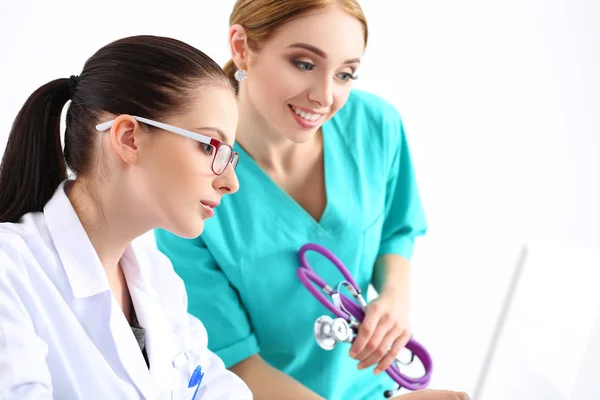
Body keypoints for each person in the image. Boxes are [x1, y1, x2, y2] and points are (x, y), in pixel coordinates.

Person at [155, 1, 468, 400]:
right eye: (304, 63)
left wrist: (394, 298)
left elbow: (397, 230)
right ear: (241, 46)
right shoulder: (189, 181)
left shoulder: (375, 127)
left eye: (345, 74)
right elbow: (234, 361)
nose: (324, 96)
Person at [0, 35, 252, 399]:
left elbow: (219, 389)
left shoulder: (158, 278)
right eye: (208, 146)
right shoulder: (11, 271)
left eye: (229, 155)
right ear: (129, 138)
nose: (230, 182)